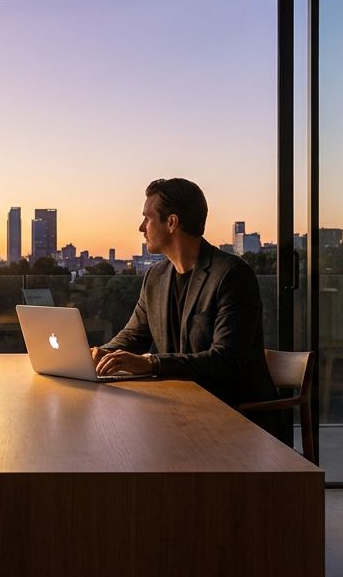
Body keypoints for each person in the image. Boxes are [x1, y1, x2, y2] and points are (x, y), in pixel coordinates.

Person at [91, 178, 289, 444]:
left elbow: (225, 361)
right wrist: (100, 355)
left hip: (237, 422)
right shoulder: (155, 277)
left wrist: (153, 363)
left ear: (172, 222)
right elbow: (133, 336)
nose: (141, 227)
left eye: (147, 218)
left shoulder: (232, 275)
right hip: (179, 413)